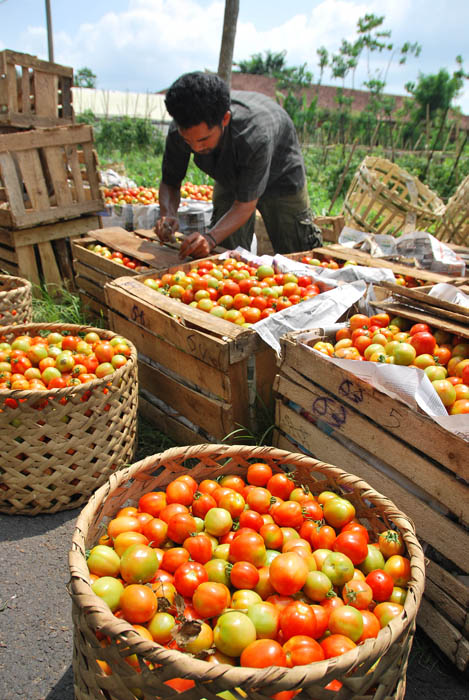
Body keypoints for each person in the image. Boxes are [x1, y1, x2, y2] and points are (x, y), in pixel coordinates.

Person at [155, 71, 322, 259]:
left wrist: (209, 238)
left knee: (299, 254)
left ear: (224, 119)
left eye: (203, 139)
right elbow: (170, 182)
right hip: (230, 176)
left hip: (281, 180)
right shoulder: (180, 130)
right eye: (188, 141)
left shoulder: (254, 135)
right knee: (224, 251)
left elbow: (244, 205)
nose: (195, 147)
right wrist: (167, 214)